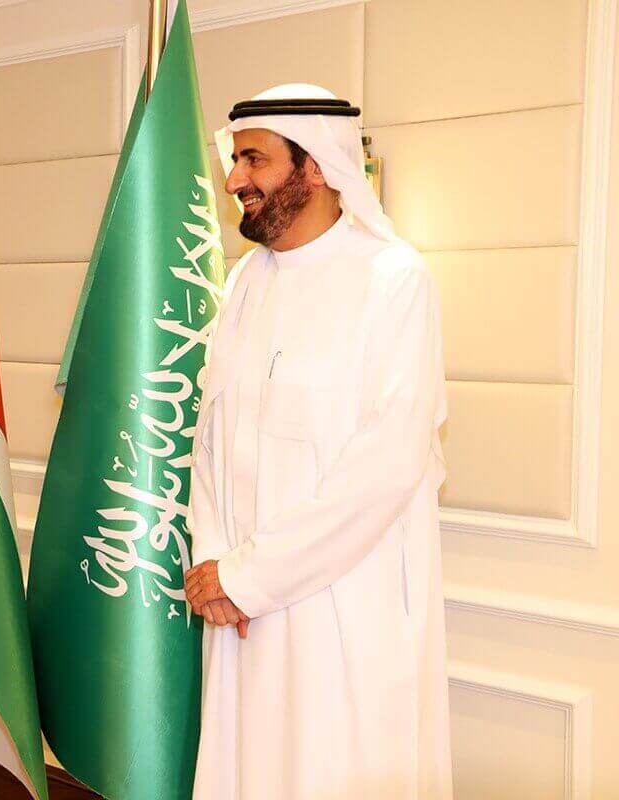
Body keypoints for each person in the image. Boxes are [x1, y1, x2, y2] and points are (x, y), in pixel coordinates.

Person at [183, 84, 453, 799]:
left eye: (253, 160)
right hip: (241, 618)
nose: (234, 180)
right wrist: (214, 566)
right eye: (235, 160)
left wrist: (247, 578)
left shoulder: (394, 282)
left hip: (342, 616)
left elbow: (383, 470)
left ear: (317, 166)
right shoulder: (245, 282)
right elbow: (209, 440)